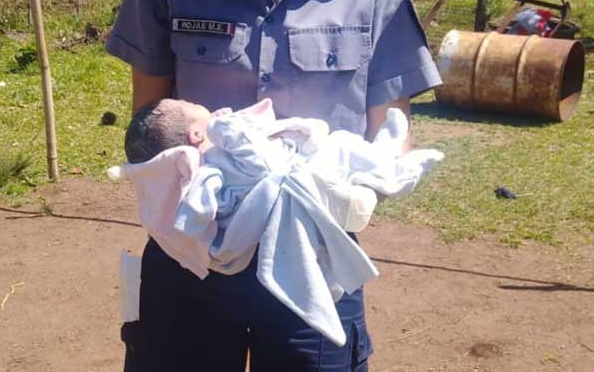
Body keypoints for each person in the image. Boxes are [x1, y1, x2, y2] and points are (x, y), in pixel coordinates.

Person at [105, 0, 441, 369]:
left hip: (315, 269)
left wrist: (331, 186)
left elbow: (388, 137)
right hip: (192, 261)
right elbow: (147, 125)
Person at [111, 98, 443, 348]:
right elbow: (262, 167)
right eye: (195, 106)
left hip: (301, 203)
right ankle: (393, 168)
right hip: (299, 191)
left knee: (344, 155)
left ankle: (381, 164)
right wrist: (229, 131)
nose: (210, 109)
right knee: (342, 148)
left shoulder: (200, 172)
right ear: (198, 133)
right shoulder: (215, 163)